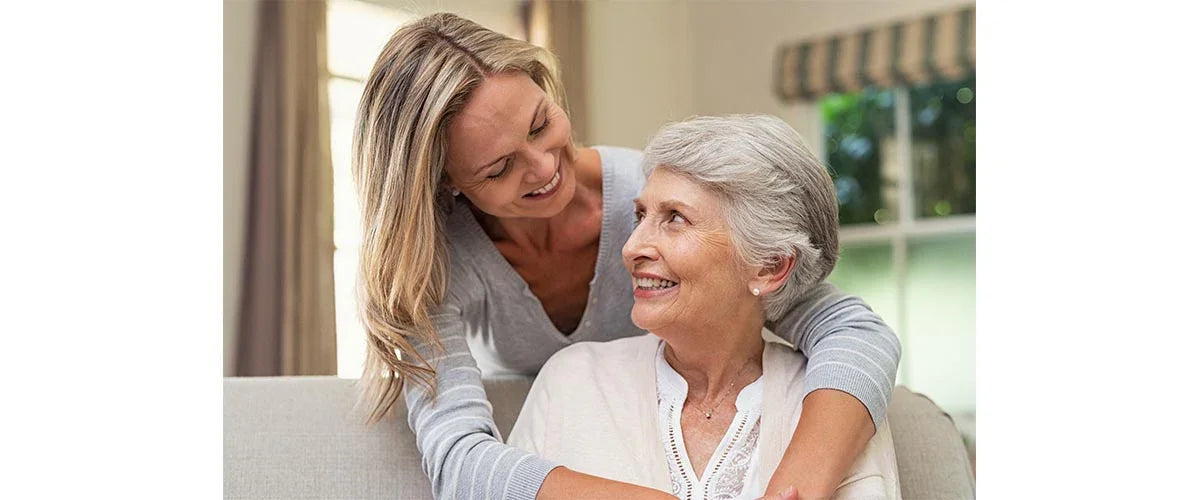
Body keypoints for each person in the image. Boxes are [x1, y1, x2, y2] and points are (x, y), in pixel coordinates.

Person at [351, 13, 900, 500]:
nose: (544, 169)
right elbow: (458, 462)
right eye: (498, 169)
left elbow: (848, 327)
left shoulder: (653, 195)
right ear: (447, 183)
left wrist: (796, 485)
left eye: (541, 125)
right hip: (551, 450)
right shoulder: (433, 263)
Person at [507, 114, 901, 500]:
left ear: (770, 266)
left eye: (675, 218)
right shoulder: (571, 380)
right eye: (640, 215)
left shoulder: (835, 404)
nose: (630, 248)